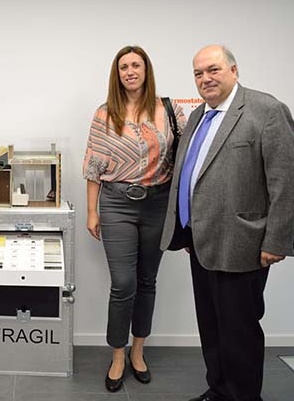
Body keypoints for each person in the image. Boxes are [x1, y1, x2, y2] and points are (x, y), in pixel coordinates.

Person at [160, 45, 294, 401]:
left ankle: (242, 396)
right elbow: (192, 175)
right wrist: (185, 227)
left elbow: (288, 180)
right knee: (212, 327)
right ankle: (220, 390)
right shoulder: (198, 117)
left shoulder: (266, 111)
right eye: (198, 73)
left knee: (239, 330)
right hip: (201, 239)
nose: (205, 79)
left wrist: (277, 240)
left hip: (243, 241)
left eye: (213, 70)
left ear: (234, 70)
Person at [83, 46, 185, 393]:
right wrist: (93, 211)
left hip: (158, 204)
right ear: (117, 73)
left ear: (146, 70)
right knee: (123, 283)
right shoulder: (104, 113)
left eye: (135, 65)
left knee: (147, 280)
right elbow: (94, 164)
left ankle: (139, 351)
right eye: (123, 66)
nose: (130, 71)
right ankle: (117, 354)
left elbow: (185, 157)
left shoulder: (170, 110)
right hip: (117, 204)